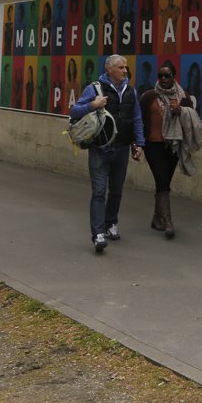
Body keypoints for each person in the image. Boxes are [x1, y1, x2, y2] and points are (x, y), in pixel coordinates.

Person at [70, 54, 144, 254]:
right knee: (99, 191)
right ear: (110, 69)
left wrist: (139, 143)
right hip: (100, 150)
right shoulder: (94, 89)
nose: (125, 71)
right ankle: (98, 234)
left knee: (117, 190)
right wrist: (92, 105)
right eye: (121, 68)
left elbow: (136, 118)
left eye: (125, 68)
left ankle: (111, 223)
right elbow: (74, 111)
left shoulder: (130, 91)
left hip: (122, 149)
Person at [139, 62, 202, 239]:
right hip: (153, 144)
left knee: (164, 182)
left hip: (173, 145)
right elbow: (138, 120)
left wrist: (181, 111)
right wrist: (136, 143)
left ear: (174, 77)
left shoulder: (184, 97)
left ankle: (156, 218)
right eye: (160, 75)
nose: (163, 79)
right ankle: (168, 222)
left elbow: (192, 119)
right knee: (161, 179)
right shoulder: (149, 96)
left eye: (167, 75)